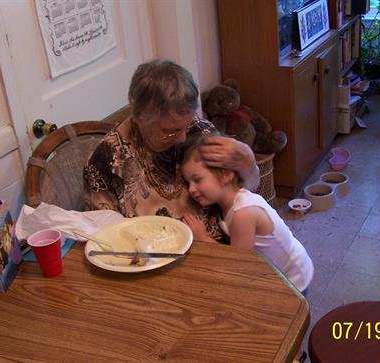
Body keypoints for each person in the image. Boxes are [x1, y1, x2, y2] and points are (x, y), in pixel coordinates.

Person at [83, 59, 259, 241]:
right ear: (139, 115)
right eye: (170, 131)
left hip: (223, 249)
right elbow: (106, 240)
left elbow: (248, 196)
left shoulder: (200, 132)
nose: (183, 137)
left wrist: (247, 161)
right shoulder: (107, 160)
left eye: (187, 125)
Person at [181, 139, 314, 294]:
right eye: (188, 182)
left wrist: (203, 237)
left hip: (292, 278)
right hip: (279, 268)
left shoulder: (243, 213)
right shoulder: (231, 202)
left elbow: (239, 261)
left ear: (226, 175)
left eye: (197, 180)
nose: (191, 189)